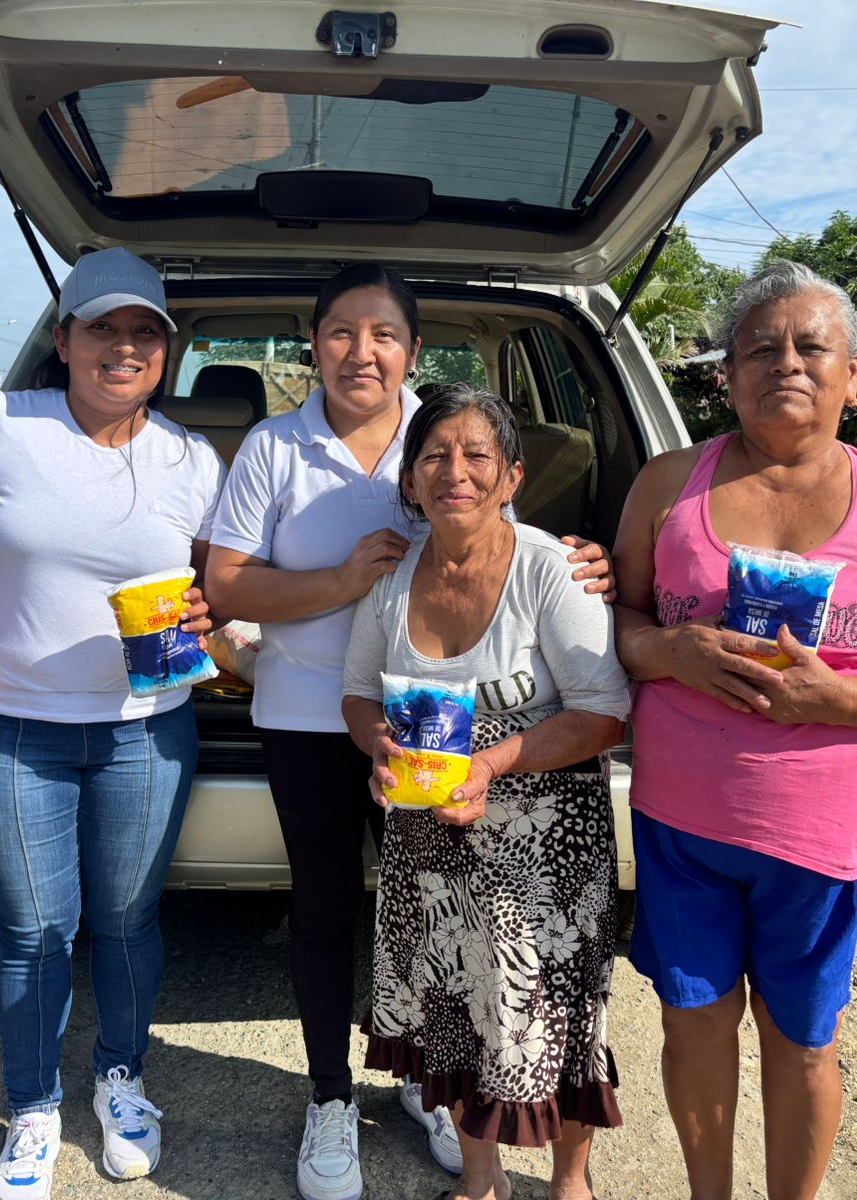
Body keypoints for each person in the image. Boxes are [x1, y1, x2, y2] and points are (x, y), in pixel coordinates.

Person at [204, 265, 613, 1200]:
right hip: (310, 715)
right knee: (326, 910)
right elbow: (225, 585)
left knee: (434, 919)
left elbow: (504, 547)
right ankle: (329, 1097)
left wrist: (596, 562)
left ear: (414, 352)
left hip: (440, 732)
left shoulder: (442, 435)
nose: (363, 352)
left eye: (384, 334)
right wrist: (344, 583)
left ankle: (437, 1086)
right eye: (341, 332)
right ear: (313, 345)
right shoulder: (274, 445)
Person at [610, 260, 857, 1200]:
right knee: (692, 1025)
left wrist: (844, 701)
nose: (786, 362)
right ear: (726, 376)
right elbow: (616, 620)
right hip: (683, 824)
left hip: (819, 838)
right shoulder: (668, 484)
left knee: (804, 1042)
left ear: (853, 375)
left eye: (811, 346)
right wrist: (670, 650)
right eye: (760, 349)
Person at [0, 247, 223, 1197]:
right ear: (66, 339)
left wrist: (214, 615)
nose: (125, 347)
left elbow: (226, 582)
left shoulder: (192, 460)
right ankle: (33, 1107)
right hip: (16, 729)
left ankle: (121, 1078)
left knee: (126, 921)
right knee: (33, 930)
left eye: (145, 331)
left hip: (147, 729)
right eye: (103, 327)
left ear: (166, 350)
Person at [342, 384, 632, 1200]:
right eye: (434, 455)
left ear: (513, 476)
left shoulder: (551, 569)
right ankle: (481, 1180)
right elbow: (357, 694)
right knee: (455, 1012)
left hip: (546, 841)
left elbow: (605, 713)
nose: (455, 472)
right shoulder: (393, 580)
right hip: (430, 841)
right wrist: (379, 747)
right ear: (410, 480)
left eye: (478, 455)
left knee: (556, 1013)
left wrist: (492, 764)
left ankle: (571, 1182)